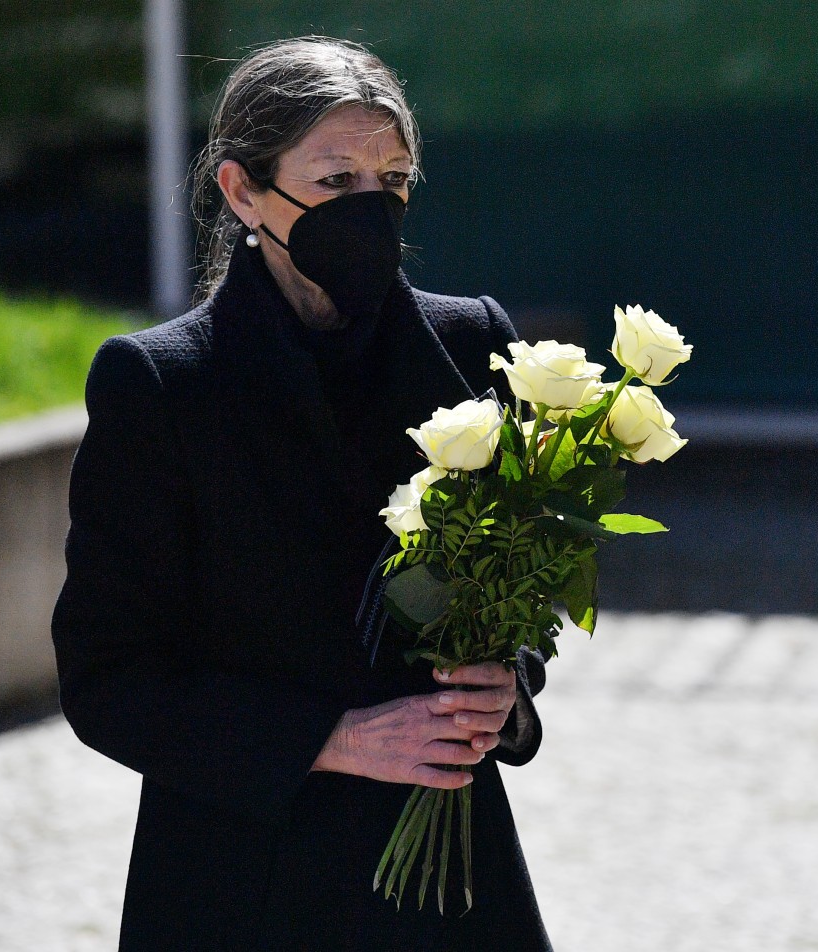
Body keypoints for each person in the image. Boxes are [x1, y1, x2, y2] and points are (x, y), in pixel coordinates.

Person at [52, 37, 553, 951]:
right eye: (335, 182)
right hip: (248, 882)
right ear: (243, 191)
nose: (372, 208)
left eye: (392, 181)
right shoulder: (160, 384)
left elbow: (510, 596)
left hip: (456, 887)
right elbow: (107, 678)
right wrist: (334, 739)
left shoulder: (475, 343)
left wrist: (503, 692)